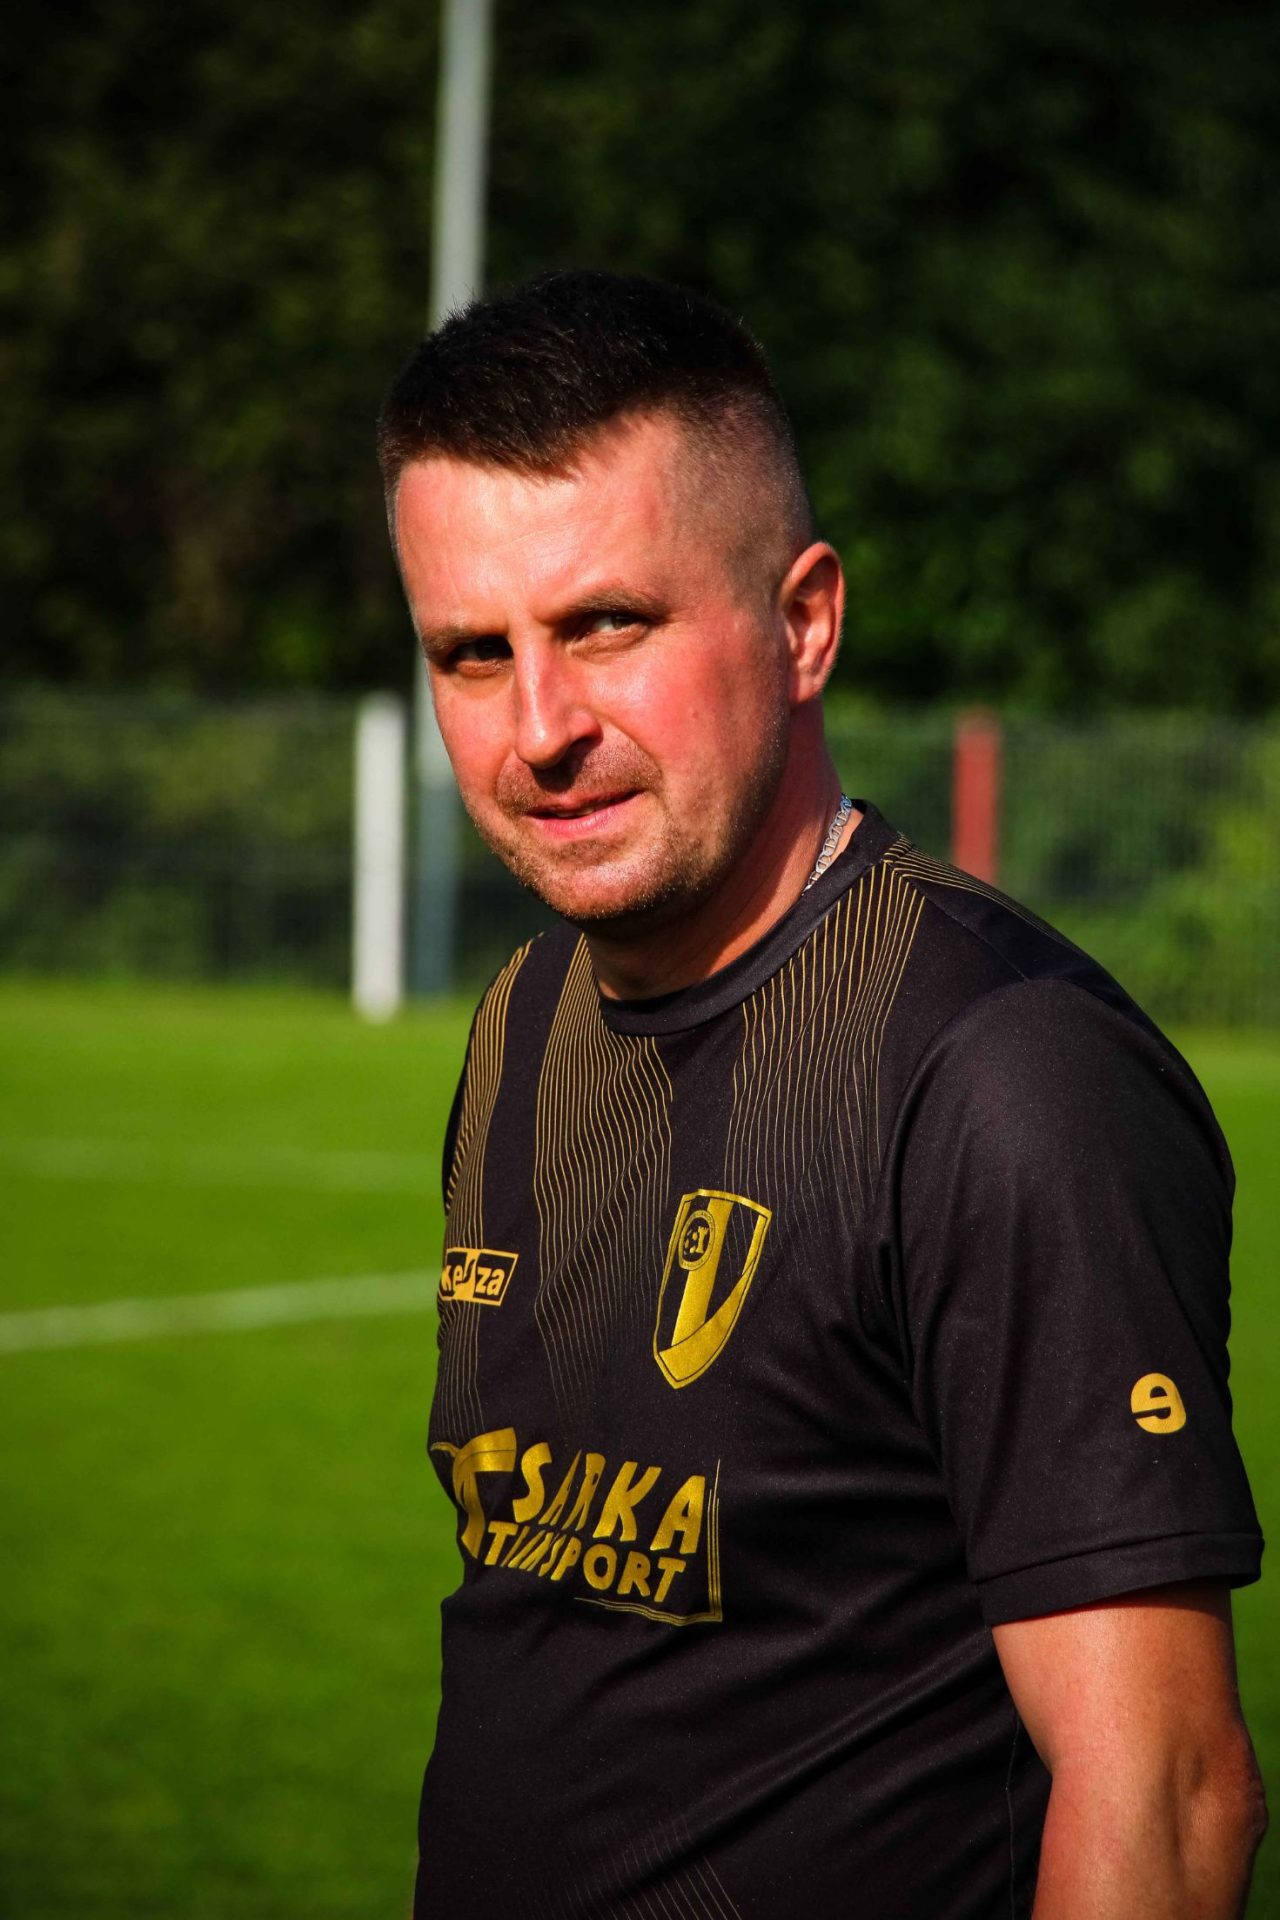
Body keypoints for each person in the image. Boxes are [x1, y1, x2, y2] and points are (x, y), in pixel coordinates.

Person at [377, 269, 1266, 1919]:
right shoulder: (523, 1021)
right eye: (471, 653)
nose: (540, 727)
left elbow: (1164, 1791)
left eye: (608, 625)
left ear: (804, 624)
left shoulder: (1003, 1069)